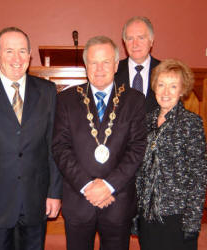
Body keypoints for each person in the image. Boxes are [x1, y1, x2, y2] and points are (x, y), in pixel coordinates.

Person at [0, 27, 62, 250]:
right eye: (9, 51)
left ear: (29, 56)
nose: (17, 58)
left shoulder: (47, 92)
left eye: (22, 51)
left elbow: (53, 148)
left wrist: (54, 193)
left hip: (36, 202)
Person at [52, 36, 147, 250]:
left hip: (117, 200)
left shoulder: (134, 100)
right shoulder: (66, 100)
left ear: (115, 65)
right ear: (86, 66)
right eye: (94, 62)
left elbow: (137, 148)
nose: (100, 68)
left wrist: (108, 186)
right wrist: (88, 186)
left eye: (106, 62)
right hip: (79, 199)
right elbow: (60, 148)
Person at [136, 59, 207, 250]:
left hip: (177, 216)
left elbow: (198, 176)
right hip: (148, 214)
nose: (166, 92)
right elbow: (140, 170)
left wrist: (192, 220)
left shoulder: (191, 123)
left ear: (182, 90)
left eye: (173, 86)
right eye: (161, 85)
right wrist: (137, 212)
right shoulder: (147, 120)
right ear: (154, 88)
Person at [115, 16, 160, 113]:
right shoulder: (113, 72)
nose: (135, 44)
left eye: (141, 38)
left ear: (151, 41)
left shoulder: (164, 70)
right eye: (130, 38)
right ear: (124, 42)